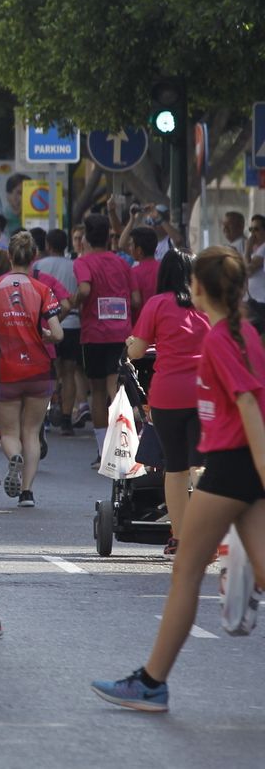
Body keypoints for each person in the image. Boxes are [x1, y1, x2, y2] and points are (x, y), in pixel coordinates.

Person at [92, 247, 265, 712]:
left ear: (201, 288)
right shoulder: (243, 333)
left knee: (186, 571)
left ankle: (151, 683)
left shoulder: (223, 340)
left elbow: (250, 406)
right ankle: (152, 682)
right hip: (239, 464)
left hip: (232, 467)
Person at [127, 249, 207, 556]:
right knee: (200, 465)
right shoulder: (205, 305)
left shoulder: (157, 304)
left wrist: (131, 343)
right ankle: (206, 532)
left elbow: (137, 352)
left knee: (174, 467)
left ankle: (180, 535)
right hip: (204, 394)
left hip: (167, 396)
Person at [0, 234, 63, 507]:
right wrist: (44, 335)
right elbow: (58, 333)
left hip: (5, 369)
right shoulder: (42, 290)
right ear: (34, 258)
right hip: (40, 370)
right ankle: (27, 493)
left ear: (9, 256)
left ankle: (13, 458)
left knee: (8, 433)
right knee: (32, 432)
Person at [75, 213, 135, 460]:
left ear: (87, 238)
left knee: (98, 391)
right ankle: (124, 447)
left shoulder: (83, 262)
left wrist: (74, 302)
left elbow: (85, 288)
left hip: (94, 334)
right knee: (118, 390)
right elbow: (136, 297)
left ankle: (104, 451)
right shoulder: (122, 263)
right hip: (122, 333)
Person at [35, 228, 85, 434]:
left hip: (47, 326)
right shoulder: (74, 266)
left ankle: (46, 414)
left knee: (50, 373)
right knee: (70, 372)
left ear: (47, 245)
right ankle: (66, 419)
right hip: (72, 323)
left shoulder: (38, 266)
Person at [128, 225, 159, 316]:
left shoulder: (133, 272)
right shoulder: (164, 269)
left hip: (140, 324)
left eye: (131, 245)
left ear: (139, 250)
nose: (129, 248)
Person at [245, 214, 265, 331]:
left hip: (260, 302)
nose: (253, 234)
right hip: (254, 301)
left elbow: (247, 271)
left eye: (256, 229)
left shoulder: (263, 248)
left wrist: (247, 249)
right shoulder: (257, 250)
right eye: (251, 229)